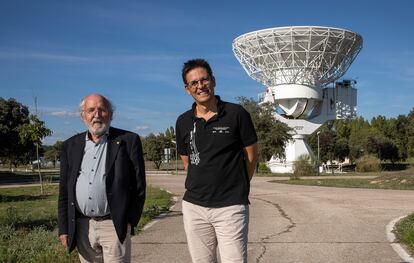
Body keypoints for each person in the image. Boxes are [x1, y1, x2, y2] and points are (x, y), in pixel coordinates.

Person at [176, 59, 258, 263]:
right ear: (187, 89)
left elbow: (251, 156)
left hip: (230, 206)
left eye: (204, 79)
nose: (200, 86)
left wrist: (237, 185)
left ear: (213, 81)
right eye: (193, 83)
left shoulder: (237, 114)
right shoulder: (183, 121)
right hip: (194, 207)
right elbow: (188, 162)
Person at [58, 93, 146, 263]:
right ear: (83, 115)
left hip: (113, 225)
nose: (96, 114)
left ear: (110, 114)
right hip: (82, 226)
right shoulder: (70, 145)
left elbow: (139, 186)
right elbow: (64, 191)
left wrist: (130, 221)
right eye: (91, 110)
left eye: (102, 109)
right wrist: (64, 228)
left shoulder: (128, 140)